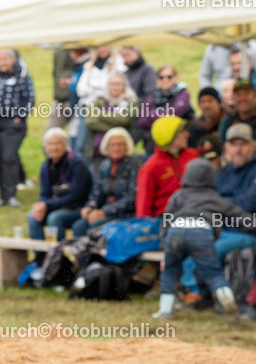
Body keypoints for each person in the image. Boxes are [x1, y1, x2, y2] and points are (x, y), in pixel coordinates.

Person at [154, 159, 254, 325]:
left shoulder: (178, 196)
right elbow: (239, 217)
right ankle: (226, 298)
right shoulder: (214, 198)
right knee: (213, 273)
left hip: (175, 231)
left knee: (170, 272)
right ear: (211, 178)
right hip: (200, 232)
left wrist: (165, 247)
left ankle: (165, 310)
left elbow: (167, 219)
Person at [27, 128, 92, 262]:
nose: (54, 147)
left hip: (78, 207)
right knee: (32, 216)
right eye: (50, 144)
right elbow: (45, 194)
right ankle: (41, 260)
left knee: (55, 218)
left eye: (58, 143)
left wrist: (47, 205)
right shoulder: (46, 166)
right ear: (45, 147)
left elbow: (76, 195)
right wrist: (41, 206)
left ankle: (59, 262)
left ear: (66, 145)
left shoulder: (77, 164)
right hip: (58, 206)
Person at [0, 48, 34, 207]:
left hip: (13, 124)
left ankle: (11, 195)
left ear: (13, 60)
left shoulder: (22, 75)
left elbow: (29, 98)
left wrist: (20, 116)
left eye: (5, 59)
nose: (2, 63)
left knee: (9, 157)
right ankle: (3, 196)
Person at [73, 128, 141, 236]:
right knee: (79, 226)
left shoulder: (134, 165)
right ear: (106, 147)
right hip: (106, 212)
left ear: (127, 146)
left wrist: (104, 212)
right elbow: (96, 193)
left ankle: (95, 253)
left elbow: (131, 199)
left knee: (95, 226)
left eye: (120, 144)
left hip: (125, 215)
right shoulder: (105, 165)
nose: (116, 148)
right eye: (112, 145)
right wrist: (90, 207)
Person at [136, 116, 199, 217]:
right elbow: (143, 208)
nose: (187, 134)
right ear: (169, 136)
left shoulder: (193, 155)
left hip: (196, 213)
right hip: (166, 221)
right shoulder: (151, 167)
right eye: (182, 132)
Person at [71, 46, 124, 153]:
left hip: (108, 107)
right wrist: (100, 88)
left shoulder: (118, 64)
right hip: (87, 108)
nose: (102, 49)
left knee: (104, 143)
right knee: (81, 142)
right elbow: (80, 90)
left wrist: (92, 86)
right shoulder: (89, 65)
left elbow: (113, 88)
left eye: (105, 47)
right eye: (99, 48)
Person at [136, 64, 193, 154]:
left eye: (169, 77)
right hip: (152, 144)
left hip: (177, 145)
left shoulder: (182, 93)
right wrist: (165, 115)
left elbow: (176, 112)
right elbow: (142, 120)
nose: (165, 80)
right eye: (161, 77)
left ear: (175, 77)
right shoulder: (153, 95)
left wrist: (152, 114)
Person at [83, 72, 137, 161]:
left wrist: (101, 114)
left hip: (121, 153)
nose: (115, 87)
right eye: (112, 84)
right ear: (107, 86)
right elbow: (90, 122)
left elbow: (123, 120)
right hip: (97, 152)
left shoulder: (130, 102)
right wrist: (116, 125)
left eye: (118, 84)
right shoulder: (99, 100)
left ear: (124, 86)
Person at [47, 48, 77, 130]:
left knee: (75, 133)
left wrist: (72, 82)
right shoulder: (59, 49)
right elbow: (56, 73)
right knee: (50, 132)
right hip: (59, 99)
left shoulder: (79, 46)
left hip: (74, 99)